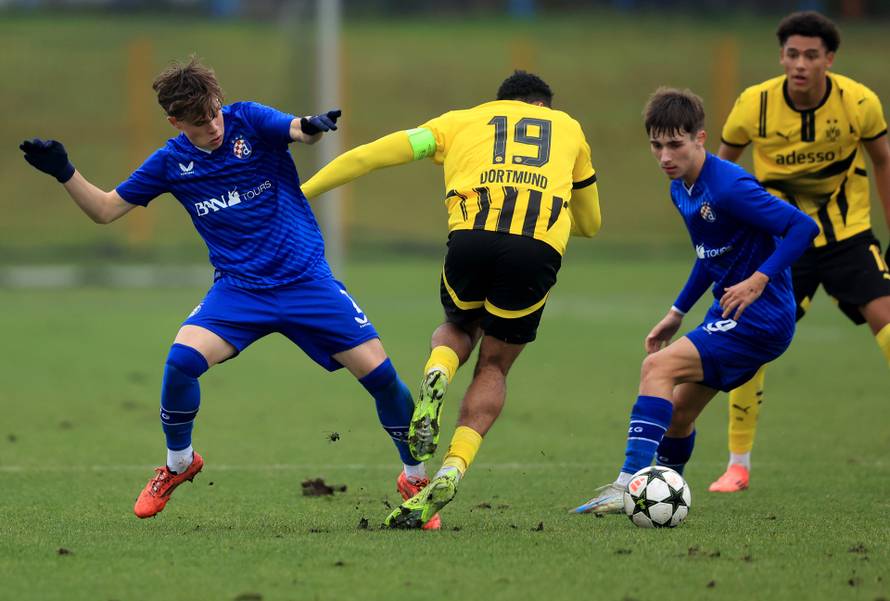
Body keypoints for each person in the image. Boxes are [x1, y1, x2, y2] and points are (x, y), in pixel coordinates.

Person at [18, 56, 441, 529]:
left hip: (306, 282)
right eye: (200, 122)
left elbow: (295, 129)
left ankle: (415, 481)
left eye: (215, 113)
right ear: (176, 122)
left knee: (383, 379)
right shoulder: (170, 163)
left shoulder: (248, 120)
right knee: (180, 363)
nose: (214, 126)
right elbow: (105, 210)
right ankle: (179, 464)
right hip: (240, 292)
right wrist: (64, 172)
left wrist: (312, 127)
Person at [300, 70, 602, 528]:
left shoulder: (461, 122)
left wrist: (302, 194)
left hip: (472, 237)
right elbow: (592, 223)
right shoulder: (569, 128)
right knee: (495, 365)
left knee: (459, 327)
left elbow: (373, 155)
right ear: (543, 106)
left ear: (500, 103)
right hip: (535, 248)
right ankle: (452, 469)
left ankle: (438, 373)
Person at [572, 87, 818, 515]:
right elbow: (709, 256)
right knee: (678, 415)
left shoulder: (729, 187)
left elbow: (802, 227)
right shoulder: (681, 189)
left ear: (700, 138)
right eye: (656, 145)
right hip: (730, 312)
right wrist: (676, 312)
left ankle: (627, 484)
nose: (665, 155)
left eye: (675, 144)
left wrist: (759, 279)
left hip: (760, 317)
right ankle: (664, 498)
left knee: (656, 367)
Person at [711, 11, 890, 493]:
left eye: (812, 55)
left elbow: (883, 162)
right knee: (750, 342)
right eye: (793, 54)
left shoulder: (859, 103)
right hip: (784, 246)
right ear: (782, 57)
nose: (801, 64)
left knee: (887, 321)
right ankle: (738, 463)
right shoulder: (754, 105)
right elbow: (718, 172)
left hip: (849, 237)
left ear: (829, 59)